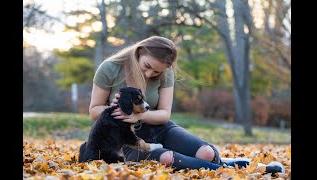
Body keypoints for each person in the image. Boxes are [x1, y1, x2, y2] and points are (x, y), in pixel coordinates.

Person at [88, 36, 284, 174]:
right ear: (139, 52)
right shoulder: (110, 68)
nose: (149, 75)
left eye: (156, 73)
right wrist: (117, 111)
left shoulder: (166, 71)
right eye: (147, 66)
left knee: (206, 153)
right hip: (125, 138)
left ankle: (222, 163)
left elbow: (164, 114)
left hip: (159, 128)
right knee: (166, 159)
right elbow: (94, 111)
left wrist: (139, 116)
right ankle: (237, 169)